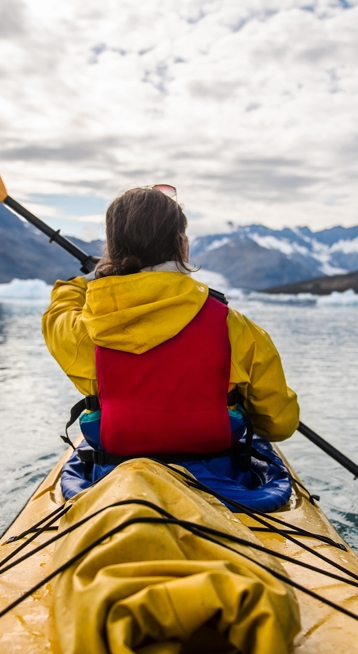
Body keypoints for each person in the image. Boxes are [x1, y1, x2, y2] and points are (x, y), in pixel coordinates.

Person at [41, 185, 300, 509]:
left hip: (114, 481)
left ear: (112, 250)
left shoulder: (83, 333)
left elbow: (58, 312)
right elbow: (281, 424)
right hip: (223, 484)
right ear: (181, 245)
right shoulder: (236, 328)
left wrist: (89, 279)